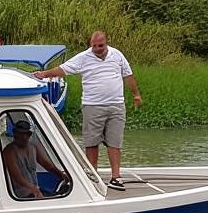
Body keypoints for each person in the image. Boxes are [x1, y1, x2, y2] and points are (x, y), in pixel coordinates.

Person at [34, 30, 141, 191]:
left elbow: (128, 75)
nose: (98, 48)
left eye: (101, 45)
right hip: (93, 105)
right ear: (90, 45)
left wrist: (136, 95)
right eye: (95, 46)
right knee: (92, 142)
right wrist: (44, 74)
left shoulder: (117, 55)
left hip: (117, 104)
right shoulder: (83, 57)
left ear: (107, 42)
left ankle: (116, 177)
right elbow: (63, 69)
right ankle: (93, 176)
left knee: (115, 142)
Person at [1, 118, 70, 200]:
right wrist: (34, 190)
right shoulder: (9, 151)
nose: (21, 137)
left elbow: (48, 165)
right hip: (20, 195)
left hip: (35, 189)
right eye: (17, 133)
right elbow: (17, 177)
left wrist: (63, 176)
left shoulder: (34, 146)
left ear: (29, 134)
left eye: (24, 134)